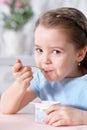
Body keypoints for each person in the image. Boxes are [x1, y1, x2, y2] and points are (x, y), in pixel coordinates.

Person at [0, 7, 87, 126]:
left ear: (80, 54)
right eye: (39, 50)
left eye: (56, 51)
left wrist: (82, 116)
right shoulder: (41, 80)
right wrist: (20, 84)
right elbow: (5, 108)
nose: (45, 60)